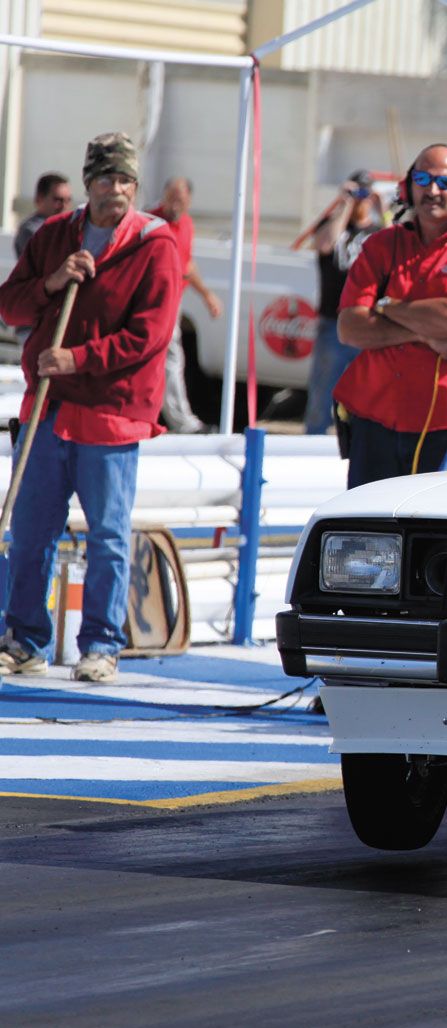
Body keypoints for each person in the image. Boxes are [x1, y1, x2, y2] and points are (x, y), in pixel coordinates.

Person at [0, 133, 183, 683]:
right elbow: (9, 306)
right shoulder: (56, 236)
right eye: (106, 178)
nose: (117, 189)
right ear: (88, 183)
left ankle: (101, 645)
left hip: (109, 412)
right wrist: (54, 281)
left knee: (107, 535)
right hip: (47, 409)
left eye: (126, 180)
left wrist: (76, 358)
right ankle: (24, 638)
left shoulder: (156, 244)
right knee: (30, 532)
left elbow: (150, 335)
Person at [335, 143, 447, 488]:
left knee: (442, 537)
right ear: (408, 187)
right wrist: (426, 334)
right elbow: (350, 328)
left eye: (444, 182)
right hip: (376, 416)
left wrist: (386, 306)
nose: (432, 190)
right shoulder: (381, 245)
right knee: (371, 535)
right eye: (423, 179)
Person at [305, 170, 384, 435]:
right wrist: (344, 204)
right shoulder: (333, 225)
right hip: (333, 323)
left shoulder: (379, 231)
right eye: (357, 192)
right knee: (323, 392)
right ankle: (313, 439)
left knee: (369, 393)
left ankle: (361, 439)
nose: (361, 200)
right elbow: (324, 245)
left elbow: (398, 248)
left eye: (365, 194)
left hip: (368, 324)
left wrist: (380, 208)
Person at [151, 177, 222, 433]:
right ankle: (178, 420)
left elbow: (187, 265)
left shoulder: (186, 225)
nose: (173, 203)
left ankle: (178, 419)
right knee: (164, 357)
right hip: (152, 301)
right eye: (169, 197)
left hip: (172, 301)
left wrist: (206, 295)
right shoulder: (151, 221)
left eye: (179, 198)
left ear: (189, 200)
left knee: (171, 358)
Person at [14, 172, 73, 258]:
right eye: (58, 200)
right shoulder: (31, 231)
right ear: (39, 199)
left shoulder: (71, 227)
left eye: (68, 200)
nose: (64, 206)